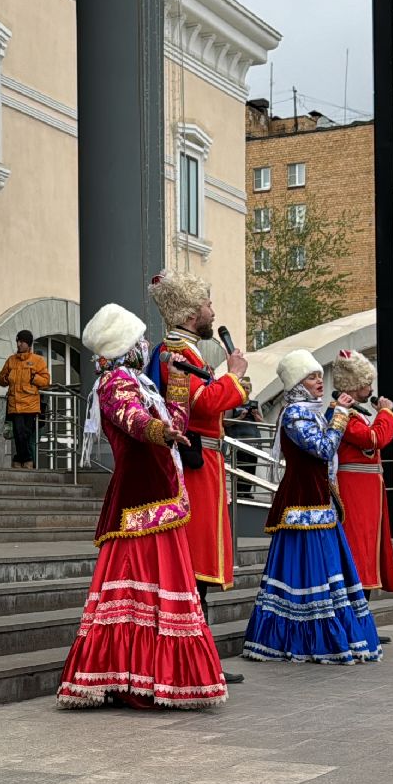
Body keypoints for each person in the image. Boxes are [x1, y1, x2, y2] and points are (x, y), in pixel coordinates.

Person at [56, 304, 229, 708]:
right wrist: (158, 428)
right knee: (139, 587)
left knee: (156, 589)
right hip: (139, 500)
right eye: (139, 339)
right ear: (125, 344)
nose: (148, 345)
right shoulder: (114, 381)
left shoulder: (139, 381)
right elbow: (131, 419)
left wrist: (180, 389)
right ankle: (131, 676)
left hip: (159, 494)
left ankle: (151, 676)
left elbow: (176, 427)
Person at [240, 351, 380, 664]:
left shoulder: (312, 412)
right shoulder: (294, 414)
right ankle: (305, 639)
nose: (320, 381)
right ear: (296, 383)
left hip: (319, 503)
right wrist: (341, 416)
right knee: (305, 574)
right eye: (312, 377)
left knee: (326, 575)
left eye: (319, 375)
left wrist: (335, 417)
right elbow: (323, 448)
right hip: (302, 507)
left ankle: (328, 634)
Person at [150, 271, 249, 681]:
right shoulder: (178, 352)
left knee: (197, 566)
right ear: (192, 313)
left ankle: (200, 657)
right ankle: (197, 661)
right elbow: (202, 406)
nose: (212, 312)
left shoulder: (185, 351)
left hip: (203, 464)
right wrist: (233, 375)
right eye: (207, 304)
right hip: (193, 469)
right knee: (194, 566)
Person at [330, 350, 393, 594]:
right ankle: (357, 620)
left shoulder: (355, 413)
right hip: (354, 490)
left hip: (367, 491)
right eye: (367, 383)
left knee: (368, 548)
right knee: (358, 548)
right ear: (354, 384)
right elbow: (374, 439)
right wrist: (386, 413)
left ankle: (364, 620)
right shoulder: (342, 413)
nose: (371, 389)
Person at [0, 330, 51, 468]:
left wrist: (34, 378)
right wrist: (5, 378)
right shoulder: (11, 360)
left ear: (28, 344)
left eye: (22, 341)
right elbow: (1, 379)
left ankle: (21, 459)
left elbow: (46, 381)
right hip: (14, 403)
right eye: (18, 341)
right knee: (18, 433)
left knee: (24, 434)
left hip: (30, 404)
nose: (19, 344)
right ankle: (25, 459)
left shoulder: (37, 360)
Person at [226, 402, 264, 500]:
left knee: (251, 465)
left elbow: (261, 422)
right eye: (244, 387)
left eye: (247, 388)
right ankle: (238, 491)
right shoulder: (232, 404)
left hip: (253, 440)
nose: (246, 390)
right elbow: (225, 422)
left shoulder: (254, 404)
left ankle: (247, 491)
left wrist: (255, 414)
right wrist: (240, 418)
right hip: (238, 440)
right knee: (240, 465)